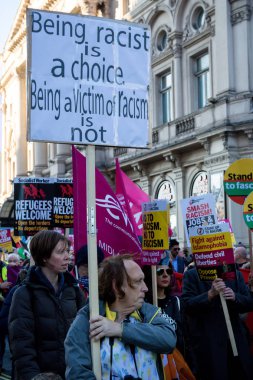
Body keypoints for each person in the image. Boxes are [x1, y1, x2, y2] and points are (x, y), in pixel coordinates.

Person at [65, 254, 177, 379]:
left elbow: (169, 340)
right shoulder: (87, 321)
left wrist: (120, 329)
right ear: (117, 287)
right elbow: (78, 374)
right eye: (138, 281)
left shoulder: (147, 312)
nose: (145, 288)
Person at [8, 230, 86, 380]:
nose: (67, 256)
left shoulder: (73, 290)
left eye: (67, 251)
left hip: (72, 373)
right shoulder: (24, 294)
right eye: (60, 252)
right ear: (44, 257)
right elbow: (22, 347)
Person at [181, 267, 253, 380]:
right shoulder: (192, 275)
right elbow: (187, 306)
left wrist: (235, 297)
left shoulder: (234, 274)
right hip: (209, 344)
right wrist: (209, 294)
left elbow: (249, 303)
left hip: (236, 342)